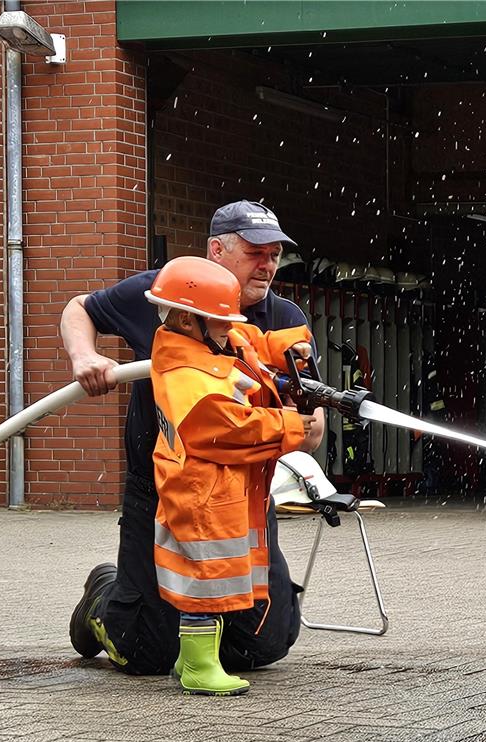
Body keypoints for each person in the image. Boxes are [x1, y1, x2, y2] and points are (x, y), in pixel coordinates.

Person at [61, 201, 323, 677]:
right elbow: (81, 309)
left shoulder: (280, 318)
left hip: (240, 497)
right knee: (144, 652)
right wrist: (85, 356)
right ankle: (104, 598)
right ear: (216, 250)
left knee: (265, 644)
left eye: (275, 255)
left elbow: (307, 403)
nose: (267, 265)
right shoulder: (163, 296)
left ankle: (205, 637)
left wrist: (311, 419)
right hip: (163, 489)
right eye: (254, 252)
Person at [141, 257, 310, 695]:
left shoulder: (203, 344)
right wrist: (291, 427)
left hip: (215, 488)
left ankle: (191, 658)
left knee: (213, 575)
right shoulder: (186, 376)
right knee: (206, 580)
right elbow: (228, 428)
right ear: (185, 319)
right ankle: (199, 666)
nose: (227, 328)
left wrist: (287, 344)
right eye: (218, 321)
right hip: (202, 494)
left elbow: (247, 340)